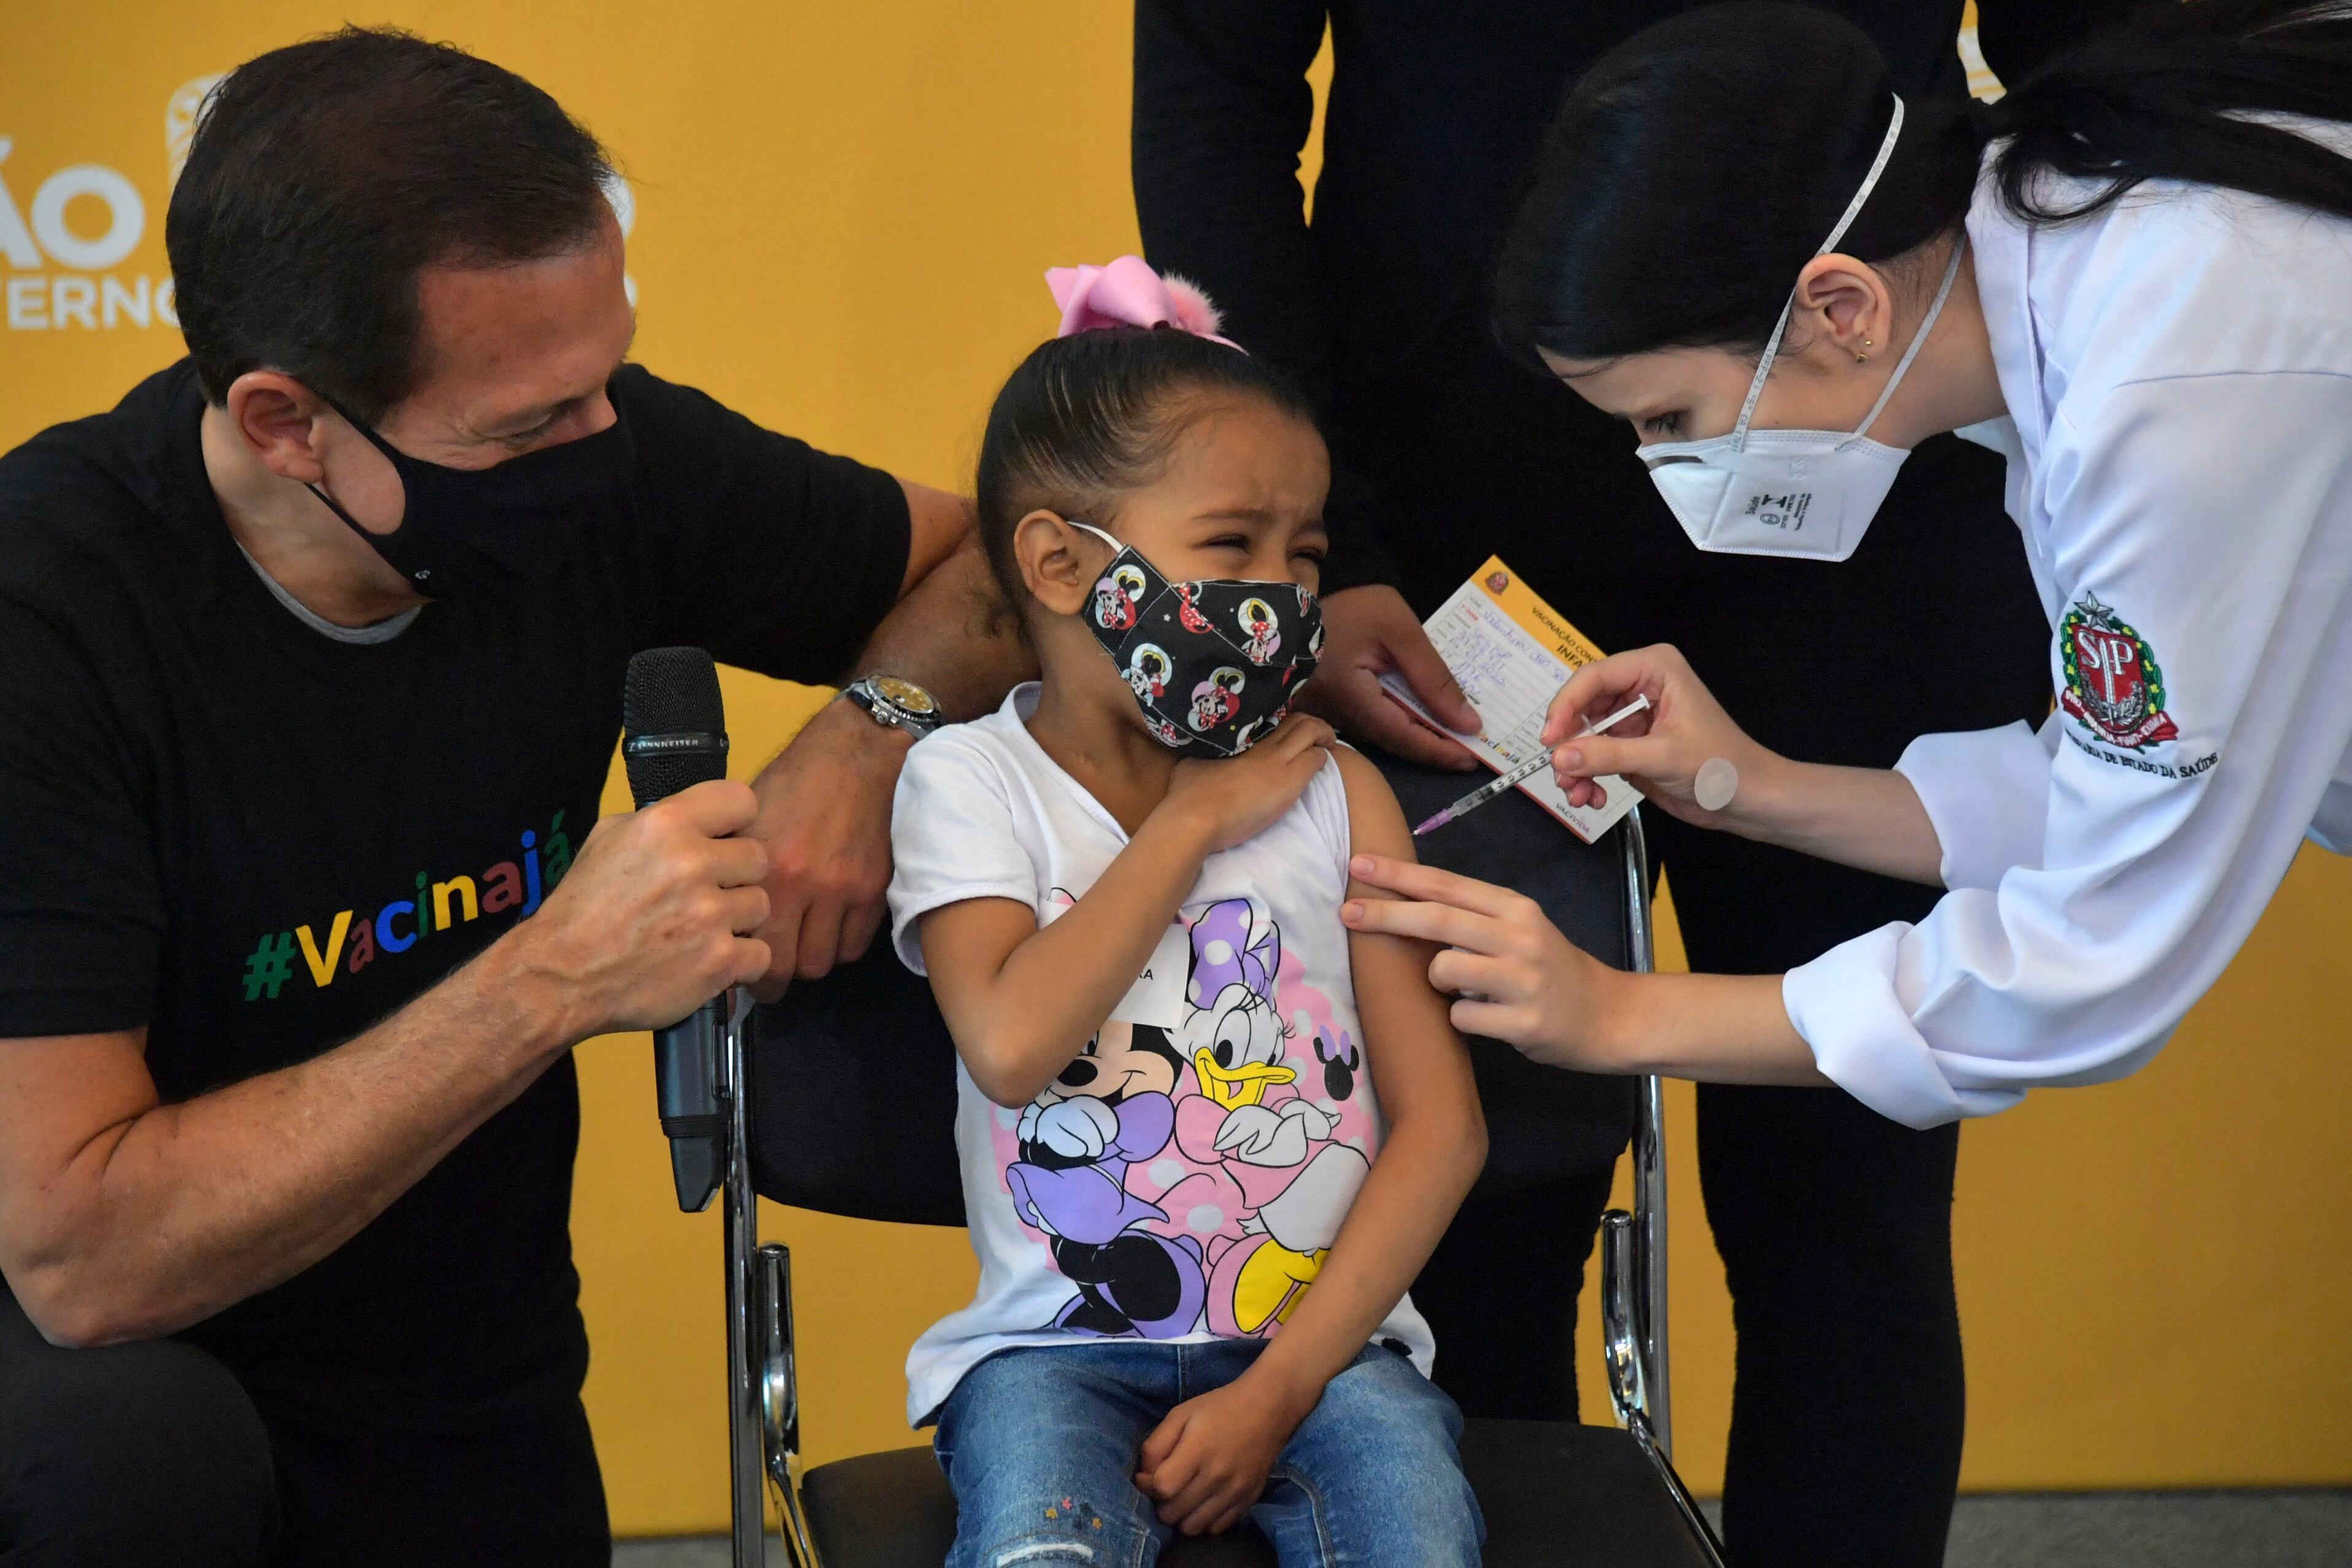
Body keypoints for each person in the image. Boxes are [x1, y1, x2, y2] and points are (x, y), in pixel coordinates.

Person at [0, 29, 1030, 1567]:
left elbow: (1014, 565)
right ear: (287, 423)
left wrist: (860, 742)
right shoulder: (48, 618)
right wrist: (554, 974)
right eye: (526, 424)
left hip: (461, 1367)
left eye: (605, 375)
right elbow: (82, 1257)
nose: (598, 441)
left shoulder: (605, 444)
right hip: (116, 1385)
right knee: (134, 1453)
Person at [1131, 6, 2069, 1562]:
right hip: (1451, 546)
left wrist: (2069, 344)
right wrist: (1322, 539)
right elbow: (1210, 101)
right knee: (1471, 1192)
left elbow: (2091, 42)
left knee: (1847, 1202)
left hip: (1872, 473)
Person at [1347, 3, 2352, 1146]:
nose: (1661, 469)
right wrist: (1746, 783)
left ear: (1841, 307)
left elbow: (2097, 954)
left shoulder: (2168, 383)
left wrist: (1620, 1012)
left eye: (1672, 419)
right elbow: (2102, 799)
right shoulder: (2062, 264)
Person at [885, 259, 1486, 1566]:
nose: (1279, 592)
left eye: (1305, 553)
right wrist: (1194, 820)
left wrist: (1280, 1386)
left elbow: (1441, 1126)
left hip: (1323, 1349)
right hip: (1049, 1355)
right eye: (1230, 545)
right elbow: (1008, 1042)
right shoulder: (965, 780)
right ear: (1056, 562)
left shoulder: (1337, 792)